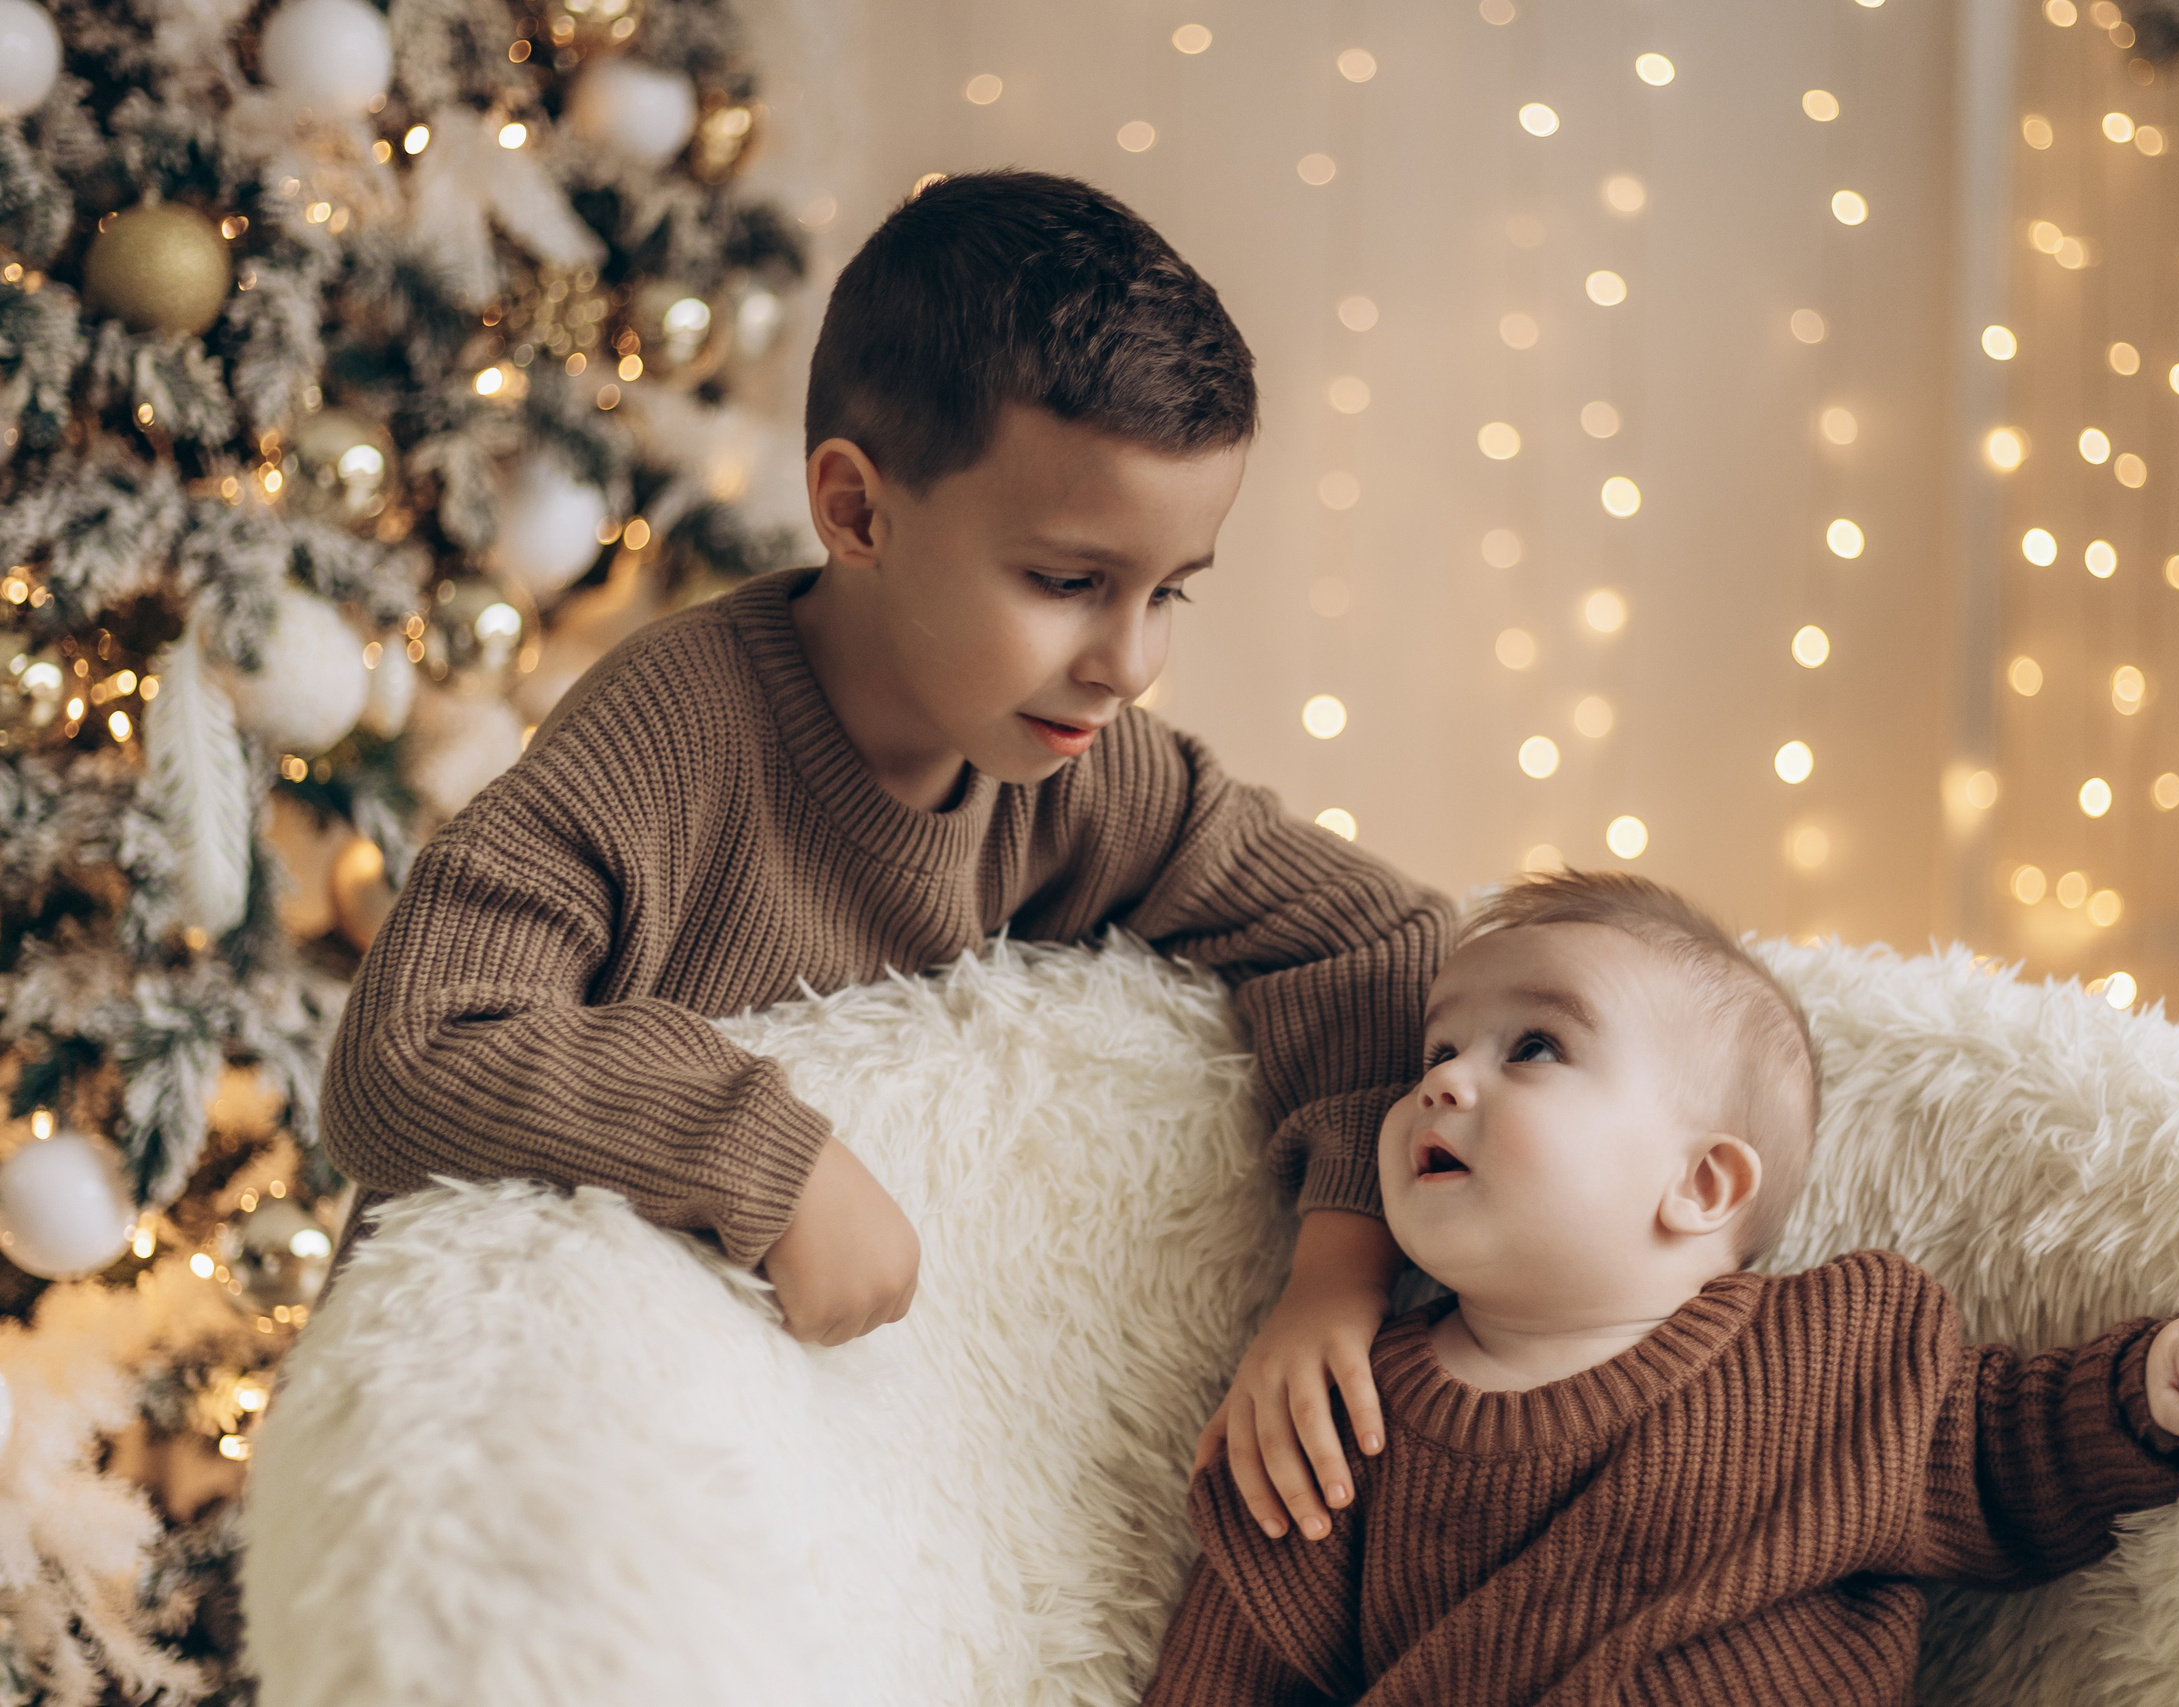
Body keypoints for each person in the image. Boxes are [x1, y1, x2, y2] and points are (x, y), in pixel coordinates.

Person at [321, 171, 1451, 1528]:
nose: (1130, 661)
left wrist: (1334, 1273)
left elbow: (1383, 936)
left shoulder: (1077, 770)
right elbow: (405, 1051)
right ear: (857, 513)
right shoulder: (668, 742)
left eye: (1170, 593)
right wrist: (768, 1151)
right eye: (1068, 581)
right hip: (498, 1458)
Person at [1144, 870, 2179, 1705]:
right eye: (1438, 1051)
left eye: (1529, 1047)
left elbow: (2006, 1454)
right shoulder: (1351, 1406)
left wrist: (2144, 1388)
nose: (1443, 1082)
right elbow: (1239, 1654)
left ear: (1699, 1184)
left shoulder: (1839, 1352)